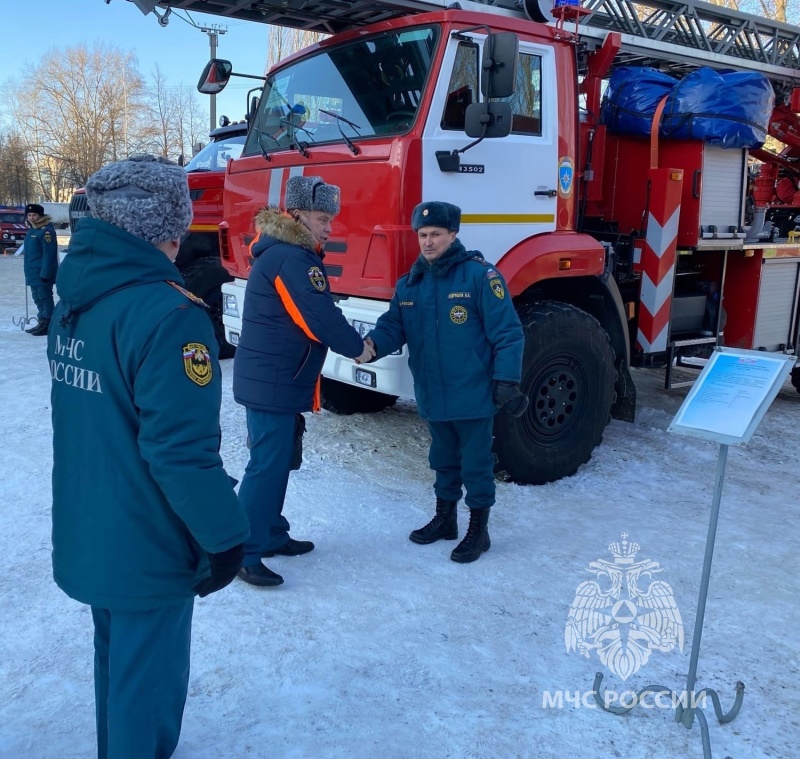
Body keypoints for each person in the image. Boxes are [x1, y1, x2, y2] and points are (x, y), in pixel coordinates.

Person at [47, 155, 250, 759]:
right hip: (147, 536)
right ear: (169, 227)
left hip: (92, 522)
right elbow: (180, 453)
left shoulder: (78, 298)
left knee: (117, 666)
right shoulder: (168, 315)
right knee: (149, 685)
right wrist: (225, 535)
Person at [365, 201, 527, 564]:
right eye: (422, 235)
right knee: (441, 458)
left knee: (476, 463)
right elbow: (394, 325)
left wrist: (506, 380)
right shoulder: (411, 283)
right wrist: (372, 346)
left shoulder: (479, 277)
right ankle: (445, 519)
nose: (428, 242)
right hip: (433, 392)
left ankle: (478, 530)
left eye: (436, 234)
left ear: (453, 234)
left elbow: (508, 333)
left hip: (472, 393)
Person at [233, 175, 374, 587]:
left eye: (331, 219)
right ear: (296, 215)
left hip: (275, 379)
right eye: (321, 218)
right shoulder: (292, 259)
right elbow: (317, 317)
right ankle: (244, 551)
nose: (329, 228)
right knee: (266, 465)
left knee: (278, 463)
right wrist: (357, 348)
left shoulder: (286, 254)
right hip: (272, 381)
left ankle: (272, 534)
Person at [23, 202, 59, 336]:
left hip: (42, 273)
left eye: (34, 215)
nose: (32, 218)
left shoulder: (46, 231)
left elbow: (48, 255)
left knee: (45, 297)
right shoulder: (32, 230)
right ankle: (42, 320)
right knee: (37, 298)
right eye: (29, 215)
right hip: (32, 272)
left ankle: (49, 322)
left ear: (40, 216)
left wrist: (45, 273)